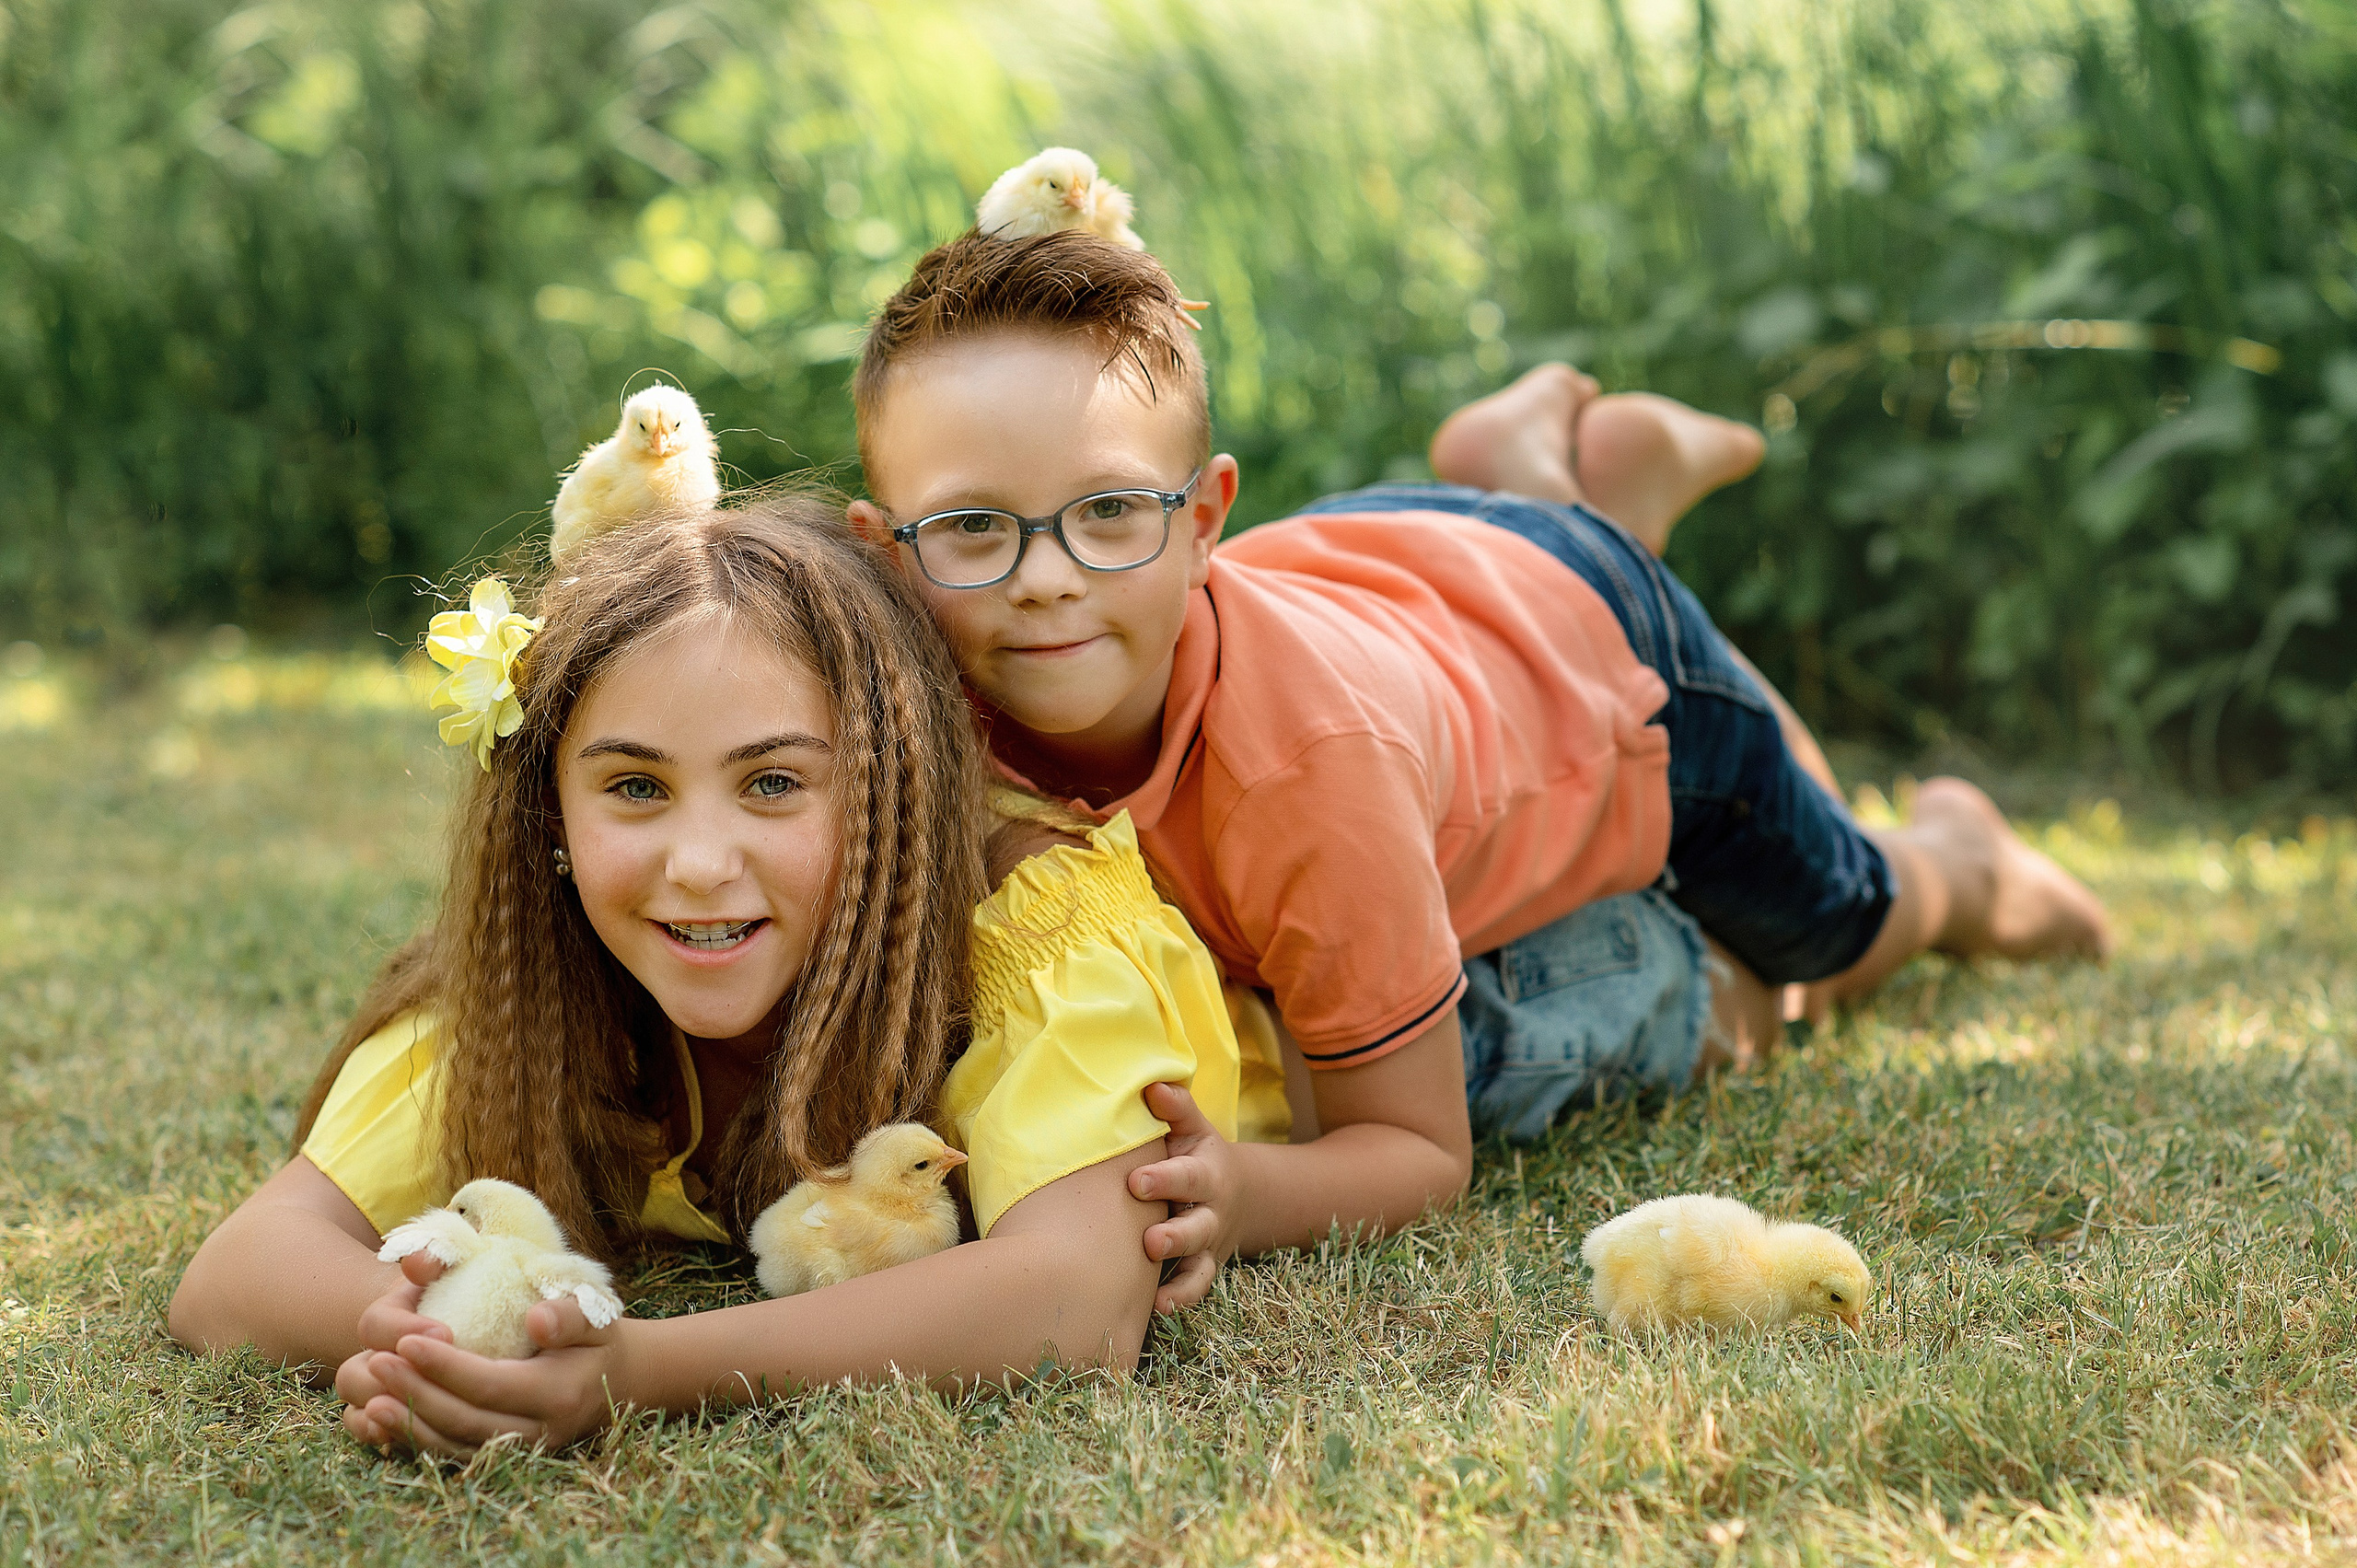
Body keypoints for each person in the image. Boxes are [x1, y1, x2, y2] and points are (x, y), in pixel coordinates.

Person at [845, 230, 2114, 1298]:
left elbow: (1410, 1144)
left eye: (1111, 509)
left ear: (1206, 519)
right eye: (971, 526)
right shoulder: (914, 699)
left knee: (1831, 920)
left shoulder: (1302, 775)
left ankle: (1964, 862)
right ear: (887, 551)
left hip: (1603, 658)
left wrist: (1252, 1190)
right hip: (1411, 581)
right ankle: (1556, 480)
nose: (1048, 575)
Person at [168, 495, 1292, 1456]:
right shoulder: (538, 988)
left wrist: (634, 1367)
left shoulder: (1028, 928)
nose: (699, 866)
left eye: (772, 784)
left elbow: (1075, 1300)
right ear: (548, 811)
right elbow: (239, 1270)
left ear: (883, 790)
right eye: (636, 789)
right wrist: (473, 1341)